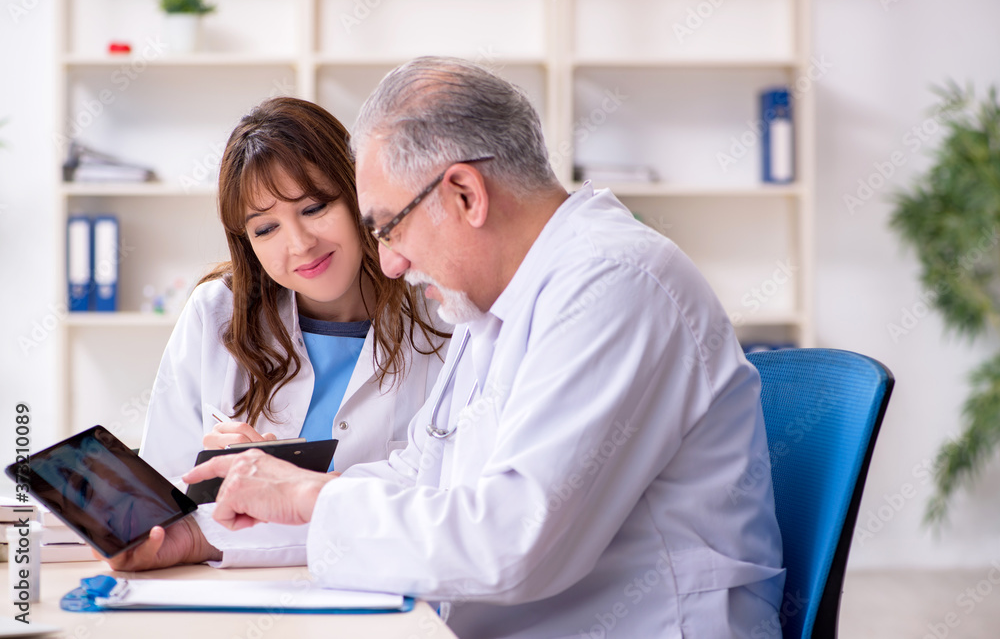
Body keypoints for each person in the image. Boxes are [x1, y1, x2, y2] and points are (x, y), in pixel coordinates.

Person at [114, 58, 785, 639]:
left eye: (388, 226)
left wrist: (310, 498)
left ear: (465, 194)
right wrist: (224, 523)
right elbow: (421, 476)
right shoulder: (492, 307)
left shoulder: (614, 284)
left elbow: (511, 543)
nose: (390, 262)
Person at [140, 96, 450, 481]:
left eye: (314, 208)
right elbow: (162, 487)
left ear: (358, 193)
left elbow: (465, 487)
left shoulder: (443, 309)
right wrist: (213, 480)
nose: (300, 244)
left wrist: (315, 492)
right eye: (266, 228)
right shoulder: (216, 313)